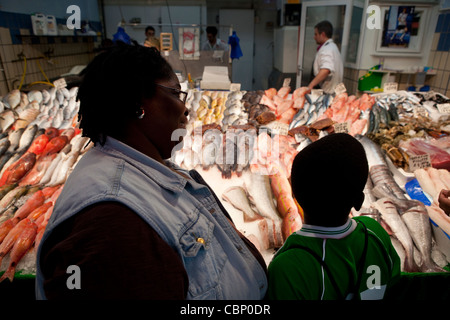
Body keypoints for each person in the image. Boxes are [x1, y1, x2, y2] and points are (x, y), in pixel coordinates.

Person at [35, 43, 267, 300]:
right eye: (176, 94)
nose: (185, 108)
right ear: (138, 106)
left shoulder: (140, 162)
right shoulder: (111, 226)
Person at [267, 133, 401, 300]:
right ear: (359, 202)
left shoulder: (287, 266)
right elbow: (394, 285)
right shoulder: (374, 232)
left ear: (295, 194)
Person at [307, 21, 343, 94]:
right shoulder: (332, 47)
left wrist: (310, 85)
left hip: (328, 92)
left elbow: (326, 70)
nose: (314, 37)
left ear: (322, 34)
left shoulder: (327, 49)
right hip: (332, 90)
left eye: (316, 34)